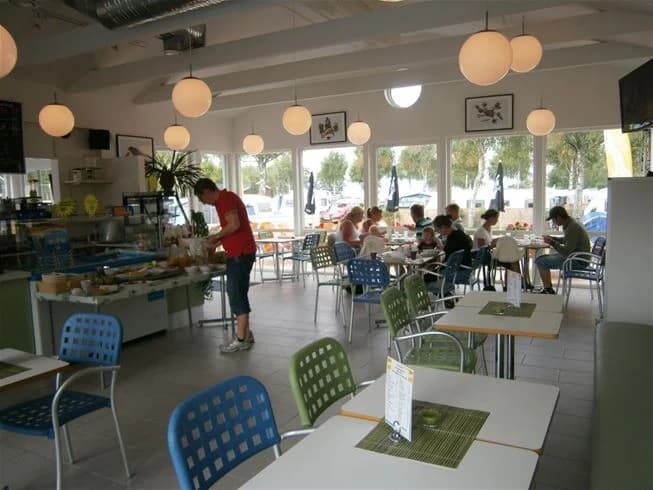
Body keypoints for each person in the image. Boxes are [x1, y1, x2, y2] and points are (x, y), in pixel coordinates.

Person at [194, 178, 257, 353]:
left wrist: (216, 236)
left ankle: (241, 339)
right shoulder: (224, 200)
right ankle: (246, 334)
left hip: (240, 253)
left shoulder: (225, 199)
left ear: (206, 191)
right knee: (240, 292)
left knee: (236, 294)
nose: (202, 202)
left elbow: (234, 225)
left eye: (201, 198)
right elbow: (233, 229)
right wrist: (218, 241)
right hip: (241, 251)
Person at [535, 205, 590, 294]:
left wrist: (552, 242)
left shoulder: (572, 227)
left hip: (577, 261)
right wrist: (553, 238)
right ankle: (548, 289)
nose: (553, 222)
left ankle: (548, 290)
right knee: (542, 259)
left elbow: (566, 251)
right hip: (576, 257)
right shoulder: (571, 224)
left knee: (541, 261)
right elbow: (567, 240)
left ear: (559, 217)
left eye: (553, 219)